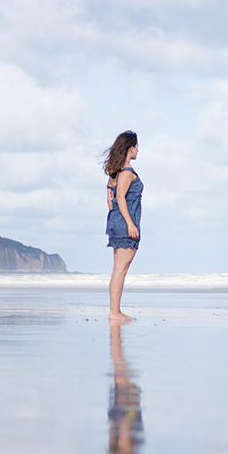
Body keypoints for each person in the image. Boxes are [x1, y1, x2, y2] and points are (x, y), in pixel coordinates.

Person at [103, 130, 142, 321]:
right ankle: (114, 312)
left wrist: (117, 217)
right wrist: (130, 224)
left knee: (119, 268)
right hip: (125, 224)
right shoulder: (126, 172)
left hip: (116, 222)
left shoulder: (115, 173)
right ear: (130, 147)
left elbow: (111, 198)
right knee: (121, 269)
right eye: (136, 146)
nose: (138, 150)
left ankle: (114, 311)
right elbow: (119, 197)